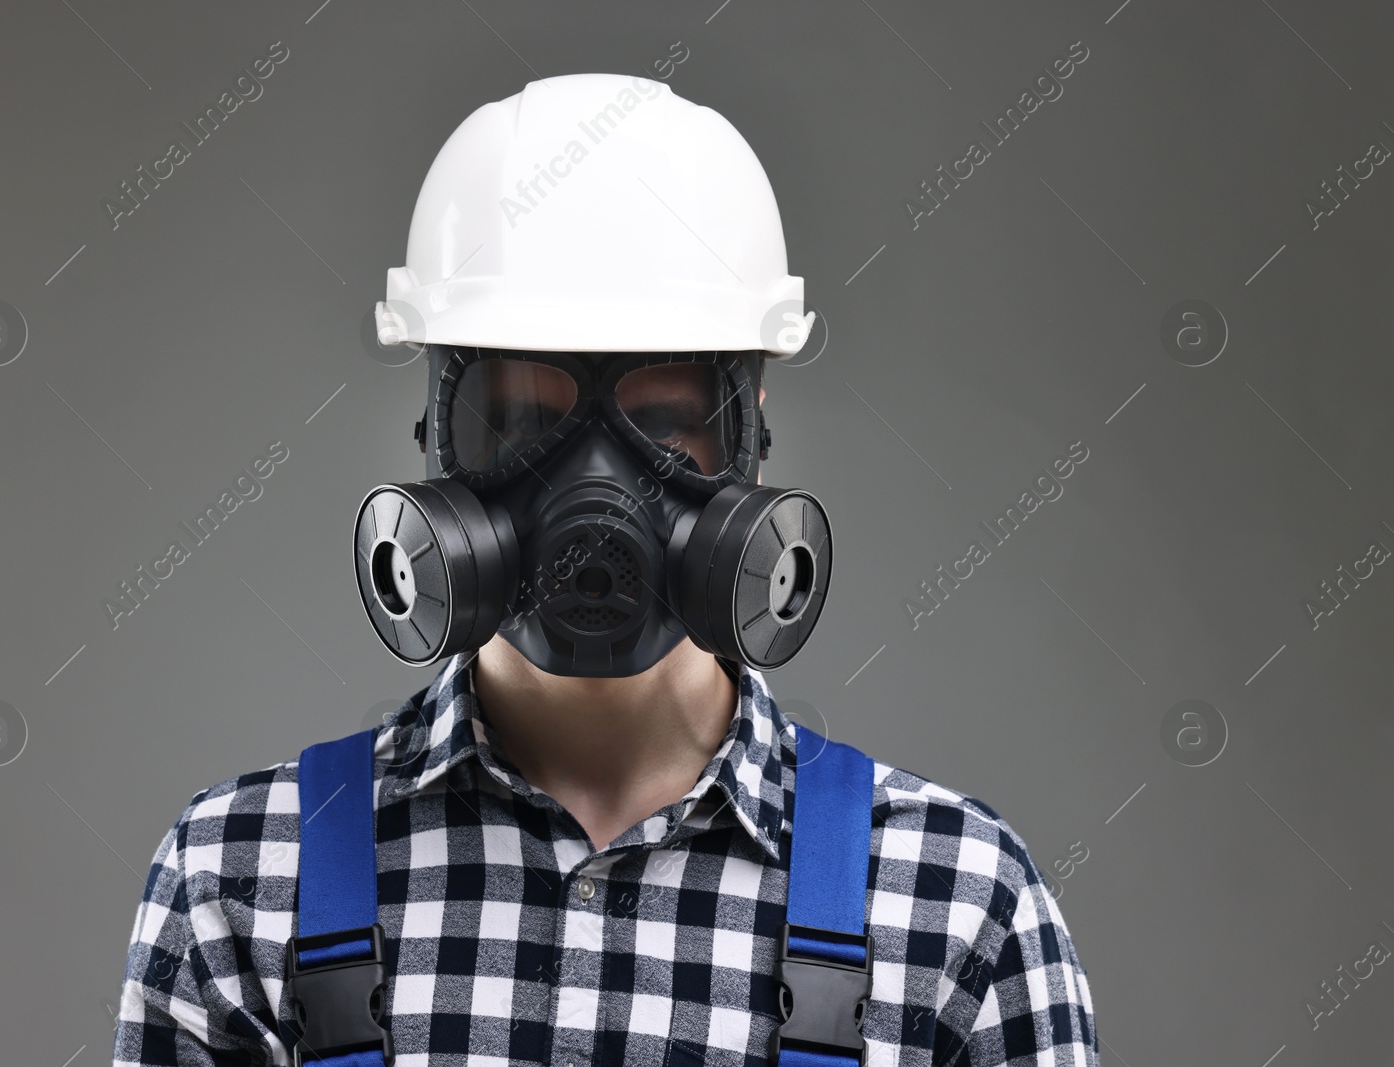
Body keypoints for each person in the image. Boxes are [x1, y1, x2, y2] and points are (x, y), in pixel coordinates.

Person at [111, 73, 1097, 1067]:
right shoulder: (239, 882)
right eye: (521, 422)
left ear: (754, 431)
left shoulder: (957, 905)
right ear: (430, 434)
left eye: (664, 423)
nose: (595, 487)